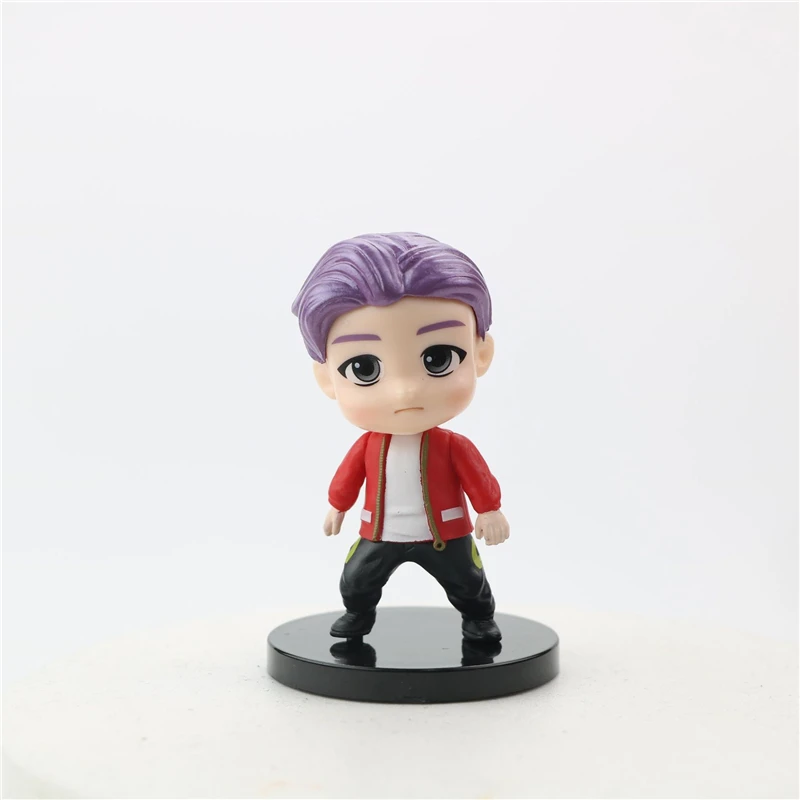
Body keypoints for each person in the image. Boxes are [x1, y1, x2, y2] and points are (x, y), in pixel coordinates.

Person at [292, 232, 510, 643]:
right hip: (380, 533)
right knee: (356, 578)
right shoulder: (369, 447)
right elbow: (348, 477)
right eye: (364, 368)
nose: (405, 392)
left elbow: (477, 477)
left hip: (446, 533)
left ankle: (479, 618)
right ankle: (357, 615)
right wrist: (338, 505)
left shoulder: (453, 446)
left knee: (468, 581)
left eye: (438, 358)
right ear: (327, 379)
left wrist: (489, 510)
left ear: (480, 354)